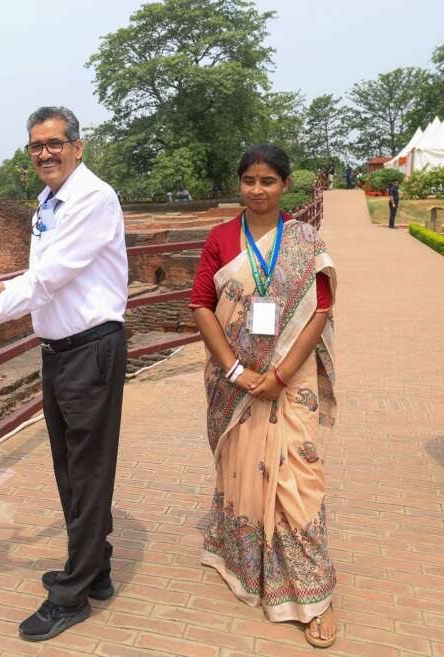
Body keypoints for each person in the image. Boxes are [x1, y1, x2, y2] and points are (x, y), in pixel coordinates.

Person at [0, 106, 128, 642]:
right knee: (71, 466)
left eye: (55, 143)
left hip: (90, 349)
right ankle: (95, 567)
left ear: (78, 147)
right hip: (61, 350)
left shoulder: (92, 198)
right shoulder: (49, 200)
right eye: (36, 145)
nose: (45, 153)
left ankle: (73, 593)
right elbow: (47, 273)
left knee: (87, 470)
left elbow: (51, 277)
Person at [189, 144, 338, 648]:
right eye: (249, 180)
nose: (257, 189)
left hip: (288, 383)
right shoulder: (220, 238)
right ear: (240, 184)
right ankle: (243, 560)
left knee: (299, 482)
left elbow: (320, 310)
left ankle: (315, 598)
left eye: (268, 180)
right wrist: (235, 370)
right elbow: (201, 305)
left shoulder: (303, 240)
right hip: (234, 381)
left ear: (285, 185)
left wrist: (281, 374)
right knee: (241, 473)